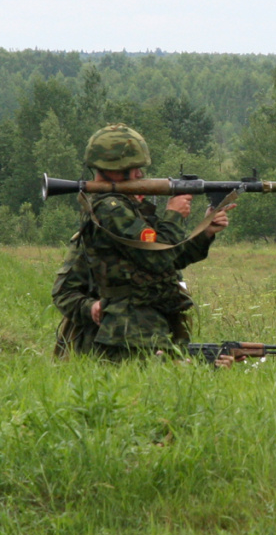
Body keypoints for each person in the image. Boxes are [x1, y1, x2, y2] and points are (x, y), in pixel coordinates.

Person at [52, 123, 232, 362]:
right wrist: (175, 215)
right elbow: (157, 258)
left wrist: (206, 232)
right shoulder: (109, 208)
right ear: (115, 168)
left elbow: (172, 258)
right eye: (133, 167)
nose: (139, 174)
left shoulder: (127, 209)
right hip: (128, 334)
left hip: (148, 328)